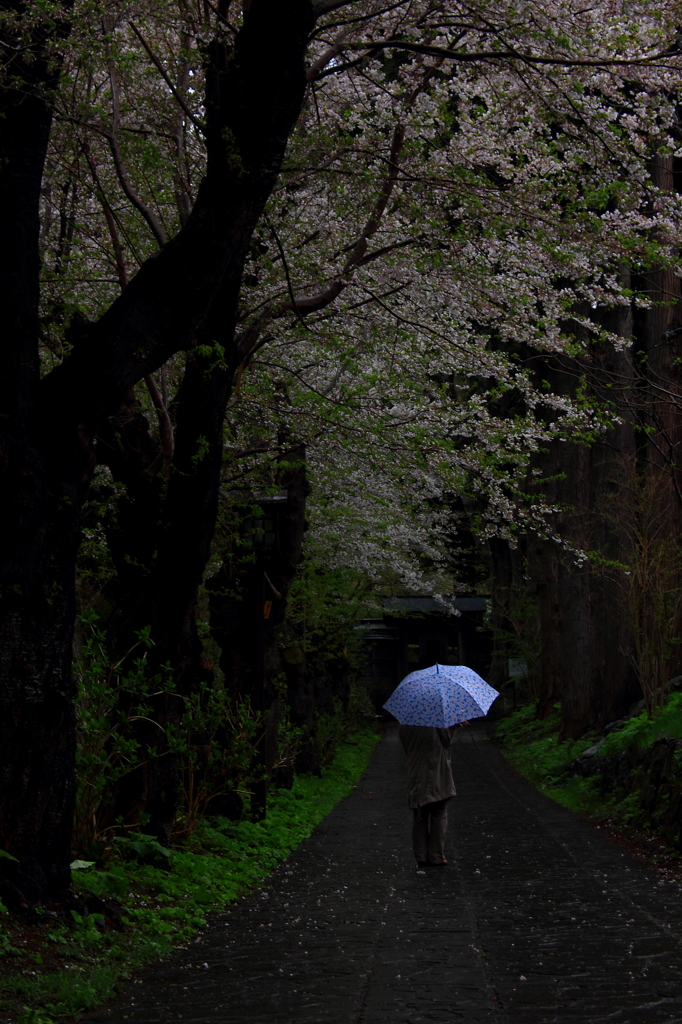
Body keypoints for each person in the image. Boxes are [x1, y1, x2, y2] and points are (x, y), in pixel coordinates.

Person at [399, 723, 458, 867]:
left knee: (420, 814)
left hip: (415, 770)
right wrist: (454, 727)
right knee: (439, 812)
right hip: (435, 770)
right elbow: (447, 742)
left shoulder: (404, 724)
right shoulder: (434, 720)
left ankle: (421, 856)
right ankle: (436, 855)